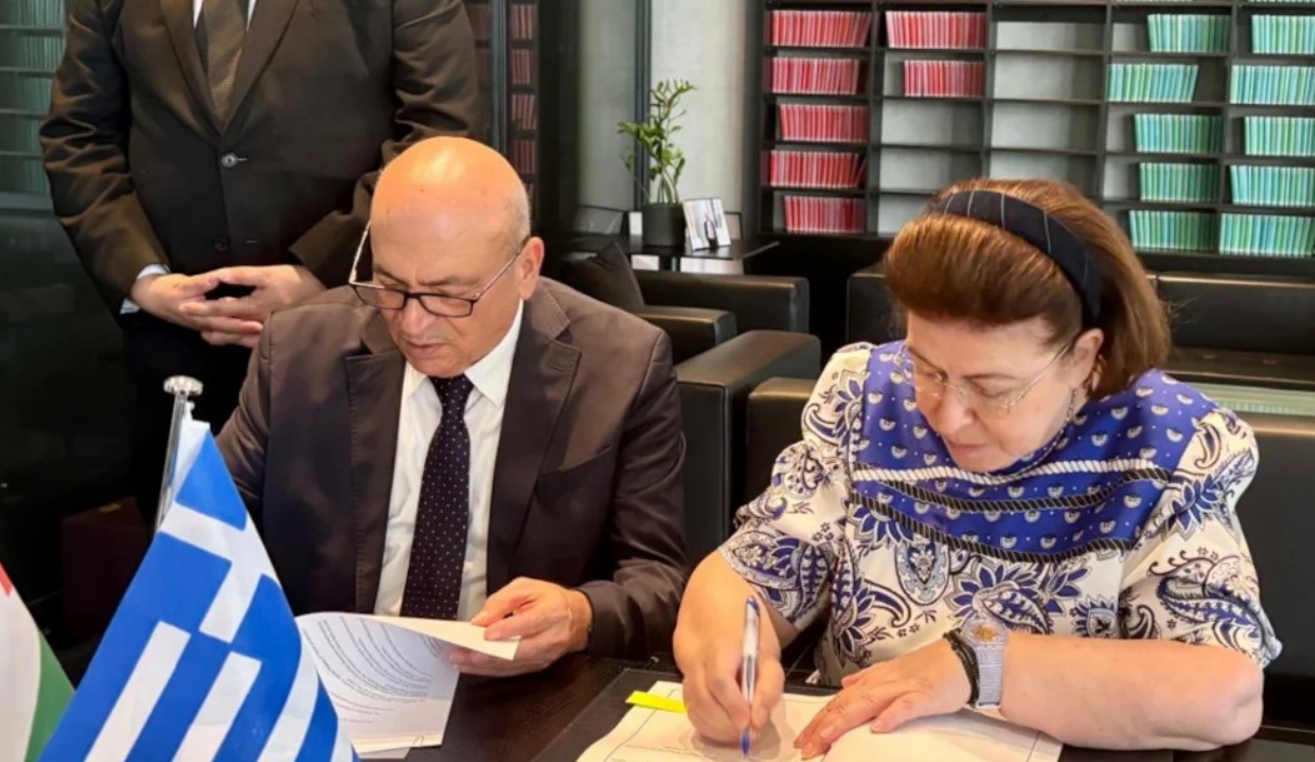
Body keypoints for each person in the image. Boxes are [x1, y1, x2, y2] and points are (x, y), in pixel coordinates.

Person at [674, 179, 1280, 757]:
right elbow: (756, 570)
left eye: (992, 388)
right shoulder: (867, 397)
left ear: (1083, 355)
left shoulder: (1166, 443)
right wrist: (723, 654)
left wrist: (980, 663)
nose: (947, 416)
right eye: (926, 369)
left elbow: (1224, 692)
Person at [217, 136, 687, 675]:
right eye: (390, 286)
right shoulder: (298, 351)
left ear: (526, 268)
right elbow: (206, 531)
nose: (413, 324)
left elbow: (658, 581)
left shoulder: (621, 367)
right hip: (332, 679)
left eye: (448, 295)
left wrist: (579, 614)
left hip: (520, 688)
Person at [40, 0, 480, 525]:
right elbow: (79, 137)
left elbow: (439, 137)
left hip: (350, 342)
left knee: (349, 559)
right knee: (190, 565)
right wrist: (144, 279)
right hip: (177, 355)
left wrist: (322, 272)